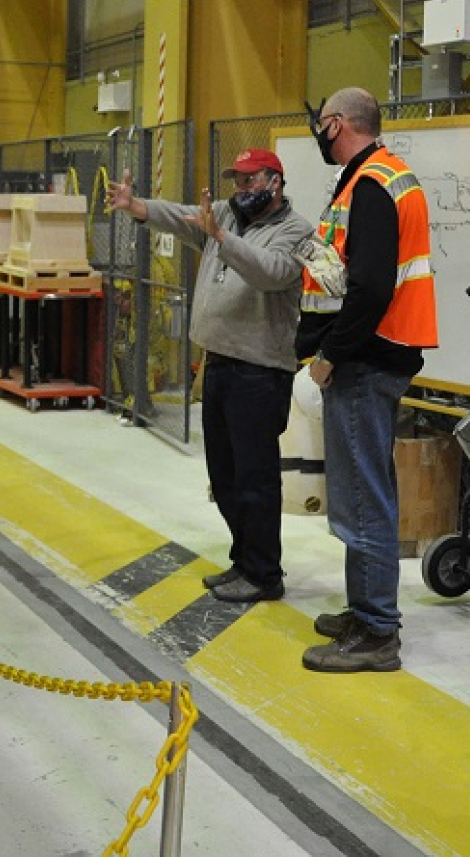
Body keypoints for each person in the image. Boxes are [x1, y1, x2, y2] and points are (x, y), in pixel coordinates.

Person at [106, 149, 315, 603]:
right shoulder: (224, 215)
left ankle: (264, 574)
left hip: (261, 374)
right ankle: (244, 561)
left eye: (248, 181)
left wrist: (220, 236)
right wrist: (137, 206)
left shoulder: (296, 231)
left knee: (256, 478)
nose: (240, 190)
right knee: (224, 475)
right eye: (235, 182)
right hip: (219, 365)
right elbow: (183, 218)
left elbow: (271, 273)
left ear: (275, 181)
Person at [296, 87, 439, 673]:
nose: (318, 133)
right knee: (362, 491)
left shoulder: (375, 184)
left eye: (321, 123)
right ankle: (366, 610)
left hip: (364, 361)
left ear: (338, 124)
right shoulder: (370, 178)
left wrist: (329, 353)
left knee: (362, 499)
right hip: (372, 358)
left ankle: (377, 631)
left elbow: (373, 289)